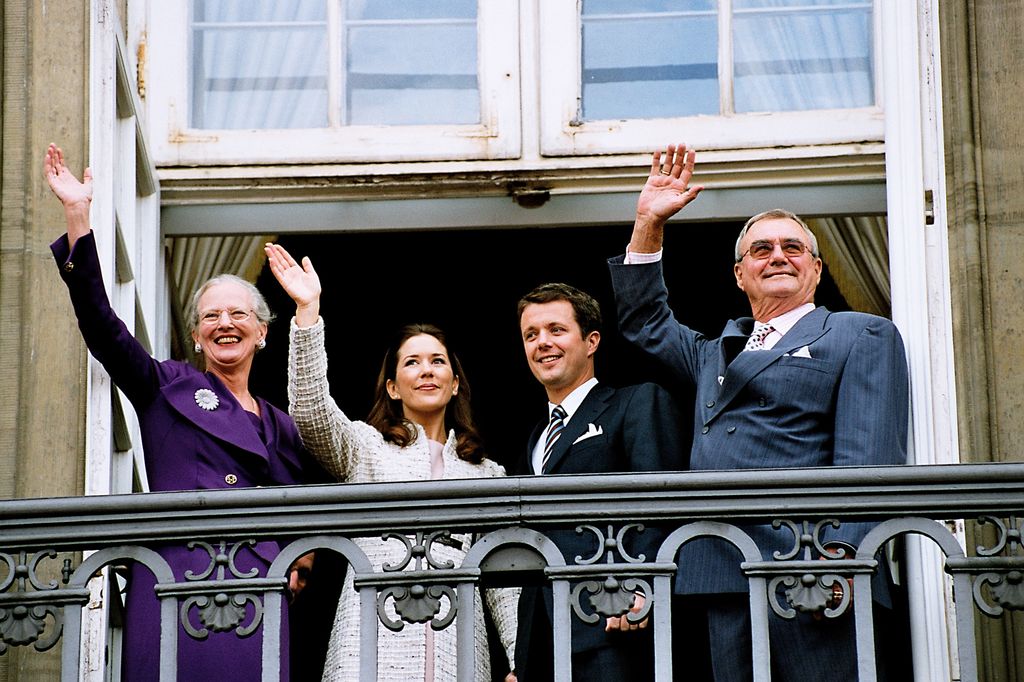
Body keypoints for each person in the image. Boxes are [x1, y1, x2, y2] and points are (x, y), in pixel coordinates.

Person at [607, 143, 909, 681]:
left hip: (811, 569)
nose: (777, 256)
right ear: (740, 275)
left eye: (792, 247)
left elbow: (870, 455)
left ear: (816, 269)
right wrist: (647, 224)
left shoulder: (858, 332)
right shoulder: (715, 351)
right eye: (761, 249)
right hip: (723, 566)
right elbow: (644, 322)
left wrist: (844, 558)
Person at [44, 143, 327, 680]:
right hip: (177, 578)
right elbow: (102, 326)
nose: (225, 323)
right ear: (196, 336)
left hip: (256, 588)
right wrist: (78, 216)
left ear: (262, 332)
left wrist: (301, 561)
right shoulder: (166, 386)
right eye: (211, 316)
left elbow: (297, 509)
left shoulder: (281, 424)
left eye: (239, 313)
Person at [265, 243, 519, 682]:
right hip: (371, 646)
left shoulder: (485, 472)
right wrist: (308, 312)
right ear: (394, 387)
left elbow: (505, 585)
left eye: (438, 362)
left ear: (455, 384)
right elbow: (309, 412)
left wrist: (519, 659)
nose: (427, 370)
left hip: (458, 650)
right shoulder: (365, 448)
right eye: (412, 362)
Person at [512, 282, 686, 682]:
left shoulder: (637, 402)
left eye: (556, 330)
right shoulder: (536, 435)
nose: (542, 343)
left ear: (591, 341)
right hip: (542, 638)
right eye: (531, 334)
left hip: (611, 618)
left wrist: (643, 589)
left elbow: (660, 502)